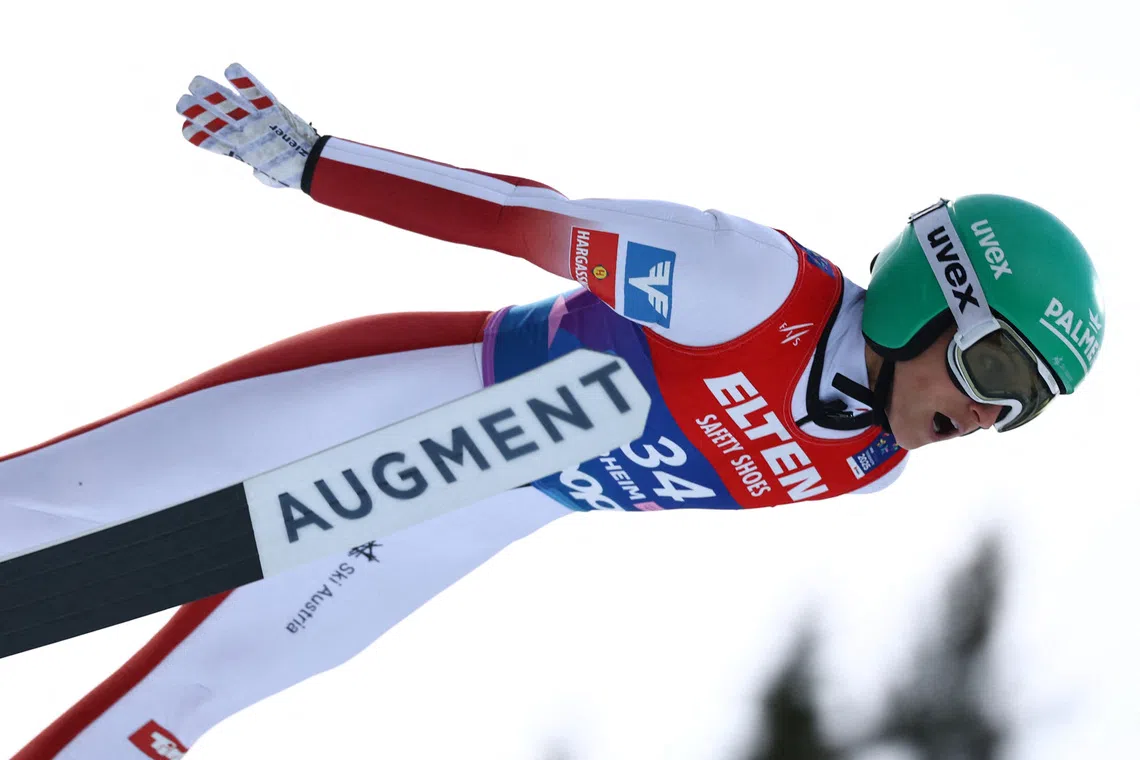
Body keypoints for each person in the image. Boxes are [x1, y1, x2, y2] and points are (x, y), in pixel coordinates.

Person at [8, 63, 1103, 757]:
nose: (988, 415)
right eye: (997, 369)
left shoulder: (864, 465)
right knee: (60, 503)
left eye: (1026, 409)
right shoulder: (751, 287)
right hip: (404, 401)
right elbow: (529, 222)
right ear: (933, 295)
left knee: (194, 696)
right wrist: (315, 162)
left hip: (453, 513)